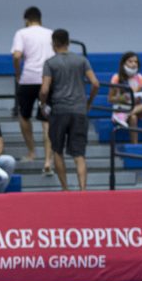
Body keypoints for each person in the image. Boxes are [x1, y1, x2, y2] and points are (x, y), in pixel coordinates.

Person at [41, 28, 99, 192]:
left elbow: (44, 90)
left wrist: (42, 104)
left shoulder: (50, 63)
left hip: (59, 110)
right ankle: (83, 189)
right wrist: (89, 103)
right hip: (79, 110)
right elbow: (95, 84)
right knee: (79, 154)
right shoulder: (82, 60)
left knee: (57, 150)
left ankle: (65, 189)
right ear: (68, 42)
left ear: (53, 43)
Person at [11, 6, 54, 174]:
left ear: (26, 20)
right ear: (40, 19)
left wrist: (17, 73)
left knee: (24, 116)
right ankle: (48, 160)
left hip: (28, 78)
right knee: (47, 120)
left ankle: (31, 152)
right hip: (47, 79)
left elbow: (16, 55)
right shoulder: (50, 33)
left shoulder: (22, 33)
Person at [108, 51, 142, 144]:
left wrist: (138, 96)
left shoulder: (139, 78)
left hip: (135, 107)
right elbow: (110, 99)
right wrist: (122, 98)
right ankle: (135, 145)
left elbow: (137, 97)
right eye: (130, 61)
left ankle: (125, 115)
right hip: (121, 107)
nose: (133, 64)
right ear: (123, 63)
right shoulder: (116, 78)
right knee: (133, 118)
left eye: (135, 62)